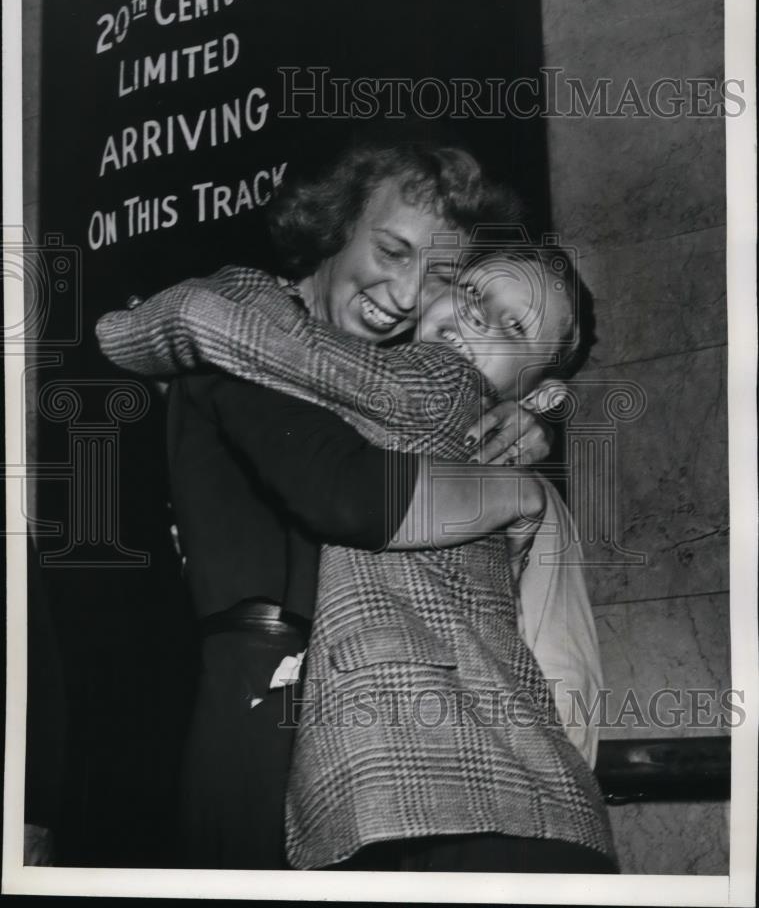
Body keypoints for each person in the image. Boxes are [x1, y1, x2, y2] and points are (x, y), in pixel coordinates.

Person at [99, 213, 617, 870]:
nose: (474, 322)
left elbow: (564, 671)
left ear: (541, 394)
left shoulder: (450, 396)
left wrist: (131, 325)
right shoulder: (389, 410)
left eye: (512, 327)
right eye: (470, 294)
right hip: (423, 806)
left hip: (466, 814)